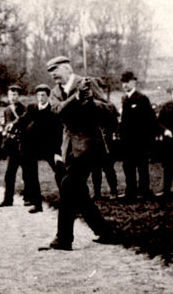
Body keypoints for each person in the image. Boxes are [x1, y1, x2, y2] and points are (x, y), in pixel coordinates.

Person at [39, 56, 119, 251]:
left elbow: (111, 110)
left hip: (91, 147)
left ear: (67, 68)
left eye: (55, 70)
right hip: (70, 150)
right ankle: (106, 232)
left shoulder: (88, 83)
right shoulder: (56, 93)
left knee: (67, 185)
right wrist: (75, 98)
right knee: (79, 192)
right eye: (50, 73)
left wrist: (92, 102)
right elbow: (57, 111)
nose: (53, 76)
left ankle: (64, 239)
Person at [15, 84, 63, 213]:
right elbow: (22, 120)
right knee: (31, 175)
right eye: (38, 95)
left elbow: (58, 131)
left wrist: (57, 151)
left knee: (60, 172)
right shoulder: (32, 108)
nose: (40, 98)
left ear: (48, 96)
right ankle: (37, 204)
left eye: (43, 95)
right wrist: (13, 125)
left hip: (49, 147)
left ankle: (67, 201)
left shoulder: (53, 111)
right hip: (33, 147)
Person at [118, 71, 158, 199]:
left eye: (127, 82)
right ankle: (131, 191)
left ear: (133, 81)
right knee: (128, 166)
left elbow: (150, 120)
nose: (125, 85)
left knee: (142, 166)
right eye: (123, 82)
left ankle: (144, 190)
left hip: (140, 140)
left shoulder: (142, 99)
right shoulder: (124, 99)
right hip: (127, 140)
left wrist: (148, 139)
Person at [0, 85, 27, 208]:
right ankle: (8, 199)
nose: (12, 98)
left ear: (19, 96)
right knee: (9, 174)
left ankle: (28, 197)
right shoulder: (7, 110)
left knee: (27, 174)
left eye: (15, 95)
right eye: (10, 95)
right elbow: (5, 126)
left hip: (23, 145)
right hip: (12, 146)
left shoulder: (24, 109)